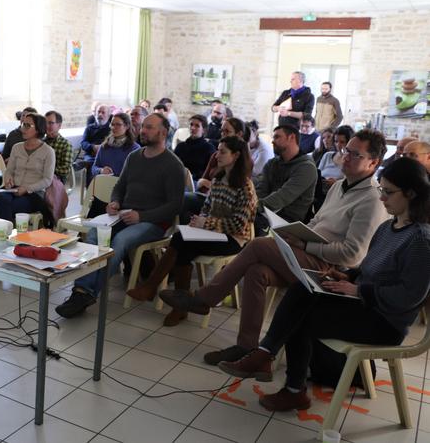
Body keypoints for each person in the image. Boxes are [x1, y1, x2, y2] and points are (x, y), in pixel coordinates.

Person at [217, 157, 430, 412]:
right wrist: (349, 277)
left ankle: (289, 385)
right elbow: (369, 267)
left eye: (388, 192)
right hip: (364, 303)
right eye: (382, 190)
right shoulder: (388, 227)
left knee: (302, 318)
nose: (382, 197)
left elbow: (409, 296)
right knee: (303, 287)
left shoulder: (420, 240)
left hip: (385, 321)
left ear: (411, 193)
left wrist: (359, 289)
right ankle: (265, 354)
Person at [161, 129, 389, 366]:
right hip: (308, 252)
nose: (346, 157)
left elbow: (352, 255)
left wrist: (306, 244)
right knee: (256, 272)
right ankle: (246, 346)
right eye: (346, 151)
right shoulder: (338, 186)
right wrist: (295, 233)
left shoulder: (371, 199)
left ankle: (203, 298)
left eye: (355, 154)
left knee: (258, 244)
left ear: (373, 162)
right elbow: (315, 222)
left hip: (331, 270)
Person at [56, 114, 186, 318]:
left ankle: (85, 294)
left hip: (153, 222)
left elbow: (174, 206)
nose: (143, 130)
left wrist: (141, 216)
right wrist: (115, 201)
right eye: (143, 127)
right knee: (92, 236)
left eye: (149, 127)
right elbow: (119, 186)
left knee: (120, 241)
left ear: (163, 132)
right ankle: (80, 291)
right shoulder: (134, 157)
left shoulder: (173, 165)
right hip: (123, 214)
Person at [128, 136, 257, 326]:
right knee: (183, 243)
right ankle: (177, 305)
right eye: (218, 150)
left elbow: (239, 224)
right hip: (212, 233)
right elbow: (207, 206)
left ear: (236, 155)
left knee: (181, 241)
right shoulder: (220, 178)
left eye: (222, 152)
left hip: (233, 239)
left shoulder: (245, 187)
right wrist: (199, 220)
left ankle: (154, 290)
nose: (217, 155)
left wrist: (207, 223)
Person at [0, 113, 55, 223]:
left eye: (27, 125)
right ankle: (5, 231)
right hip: (12, 189)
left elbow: (47, 180)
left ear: (38, 129)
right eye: (23, 125)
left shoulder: (48, 151)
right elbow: (9, 170)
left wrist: (27, 188)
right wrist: (8, 180)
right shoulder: (17, 147)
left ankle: (1, 231)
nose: (23, 129)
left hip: (33, 194)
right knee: (2, 198)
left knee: (9, 206)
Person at [91, 112, 140, 179]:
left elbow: (136, 174)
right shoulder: (105, 146)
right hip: (103, 184)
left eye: (118, 125)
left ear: (127, 126)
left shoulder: (134, 148)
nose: (114, 127)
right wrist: (101, 170)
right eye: (112, 124)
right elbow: (94, 168)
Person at [174, 114, 216, 181]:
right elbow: (173, 165)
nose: (193, 128)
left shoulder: (209, 148)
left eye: (197, 126)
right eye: (191, 124)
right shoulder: (181, 146)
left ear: (204, 130)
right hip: (178, 180)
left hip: (197, 183)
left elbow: (209, 172)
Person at [77, 104, 110, 177]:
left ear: (108, 115)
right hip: (91, 154)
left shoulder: (111, 128)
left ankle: (82, 164)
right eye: (98, 112)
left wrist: (101, 148)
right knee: (91, 163)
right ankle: (90, 187)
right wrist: (93, 147)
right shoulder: (89, 128)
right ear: (95, 113)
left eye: (103, 112)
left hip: (105, 154)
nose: (100, 114)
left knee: (94, 163)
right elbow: (83, 143)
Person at [43, 110, 72, 184]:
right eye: (45, 123)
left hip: (55, 180)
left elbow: (65, 169)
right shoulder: (41, 142)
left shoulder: (65, 144)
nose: (46, 126)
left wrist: (45, 170)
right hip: (38, 177)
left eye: (50, 123)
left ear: (59, 126)